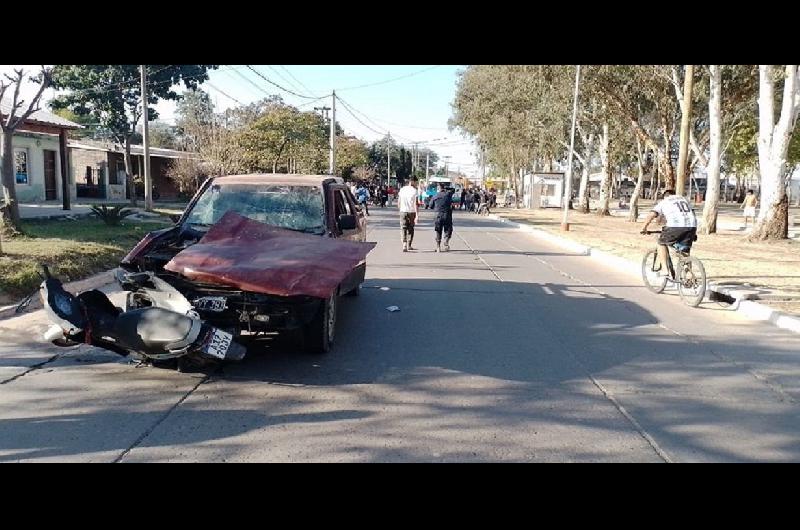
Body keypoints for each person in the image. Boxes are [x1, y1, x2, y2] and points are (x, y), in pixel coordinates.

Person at [640, 189, 698, 277]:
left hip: (675, 226)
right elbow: (692, 213)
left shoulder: (665, 201)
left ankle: (665, 270)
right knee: (684, 252)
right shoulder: (684, 199)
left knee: (661, 243)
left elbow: (652, 214)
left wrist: (644, 228)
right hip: (691, 226)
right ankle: (688, 275)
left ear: (665, 196)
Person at [429, 183, 455, 252]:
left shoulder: (435, 196)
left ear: (438, 189)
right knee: (448, 229)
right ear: (444, 188)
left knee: (438, 231)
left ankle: (438, 247)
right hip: (447, 215)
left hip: (438, 216)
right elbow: (453, 190)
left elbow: (430, 206)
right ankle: (446, 241)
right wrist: (447, 188)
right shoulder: (448, 194)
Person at [398, 176, 419, 252]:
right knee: (410, 228)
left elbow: (399, 202)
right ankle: (409, 244)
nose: (417, 184)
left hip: (403, 211)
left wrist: (400, 210)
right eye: (416, 182)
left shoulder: (402, 189)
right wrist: (417, 215)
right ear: (413, 181)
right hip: (411, 211)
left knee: (403, 227)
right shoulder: (414, 191)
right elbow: (416, 204)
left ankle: (404, 244)